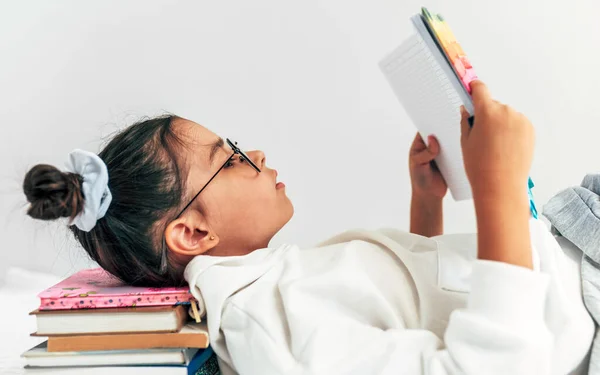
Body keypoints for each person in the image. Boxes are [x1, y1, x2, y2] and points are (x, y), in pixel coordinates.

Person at [23, 81, 594, 374]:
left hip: (571, 258)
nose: (259, 156)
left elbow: (419, 309)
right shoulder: (269, 322)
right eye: (233, 155)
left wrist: (426, 210)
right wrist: (496, 185)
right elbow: (493, 366)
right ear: (193, 234)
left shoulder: (267, 283)